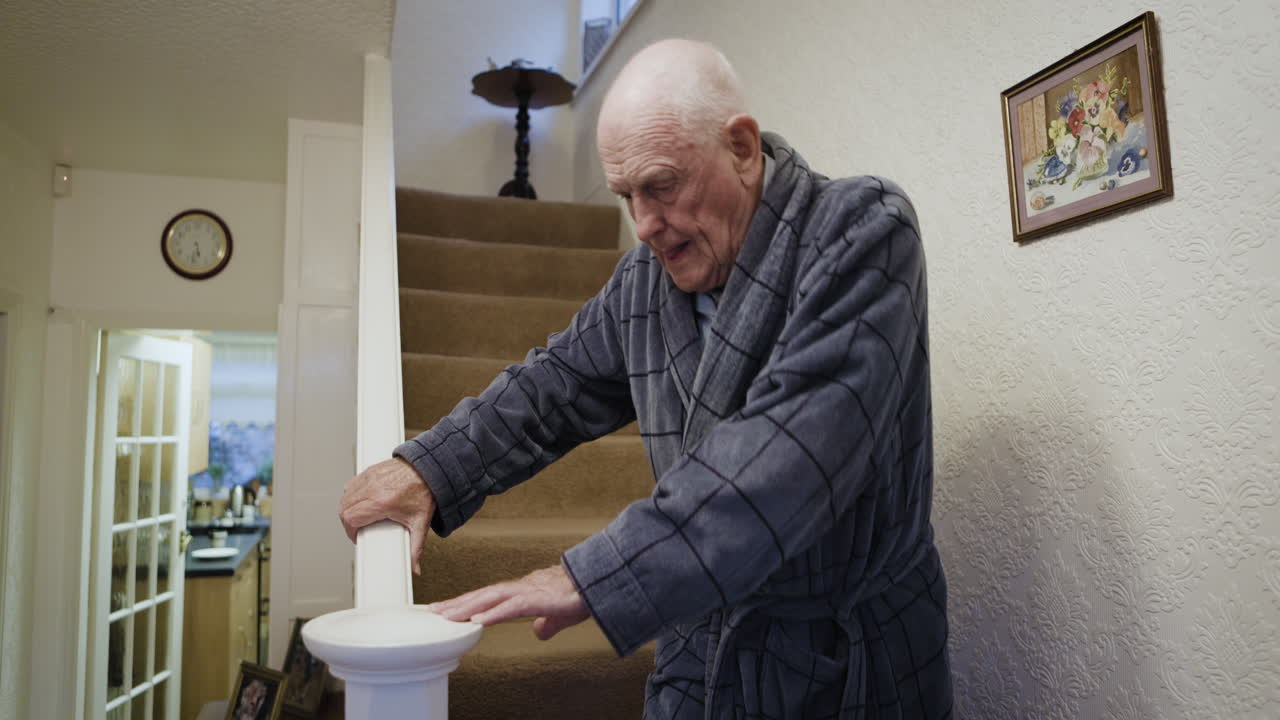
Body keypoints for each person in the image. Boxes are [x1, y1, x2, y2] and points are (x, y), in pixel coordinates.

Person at [340, 38, 952, 719]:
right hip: (704, 643)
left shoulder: (863, 229)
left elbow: (791, 455)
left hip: (848, 663)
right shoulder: (646, 280)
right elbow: (555, 387)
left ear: (743, 149)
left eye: (662, 186)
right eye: (627, 196)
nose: (646, 225)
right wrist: (430, 467)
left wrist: (592, 574)